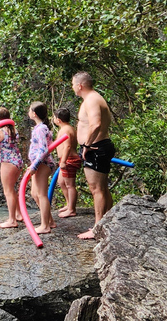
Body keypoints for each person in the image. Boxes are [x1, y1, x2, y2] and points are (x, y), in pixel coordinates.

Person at [72, 71, 115, 240]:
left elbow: (96, 124)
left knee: (97, 189)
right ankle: (107, 221)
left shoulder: (91, 100)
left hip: (96, 148)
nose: (72, 88)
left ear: (80, 85)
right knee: (102, 188)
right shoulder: (95, 98)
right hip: (100, 146)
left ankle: (97, 227)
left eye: (73, 84)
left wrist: (87, 145)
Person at [27, 101, 56, 234]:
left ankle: (45, 226)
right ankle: (49, 220)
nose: (28, 112)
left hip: (42, 164)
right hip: (38, 164)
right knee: (34, 193)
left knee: (41, 194)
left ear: (34, 113)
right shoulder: (39, 128)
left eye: (29, 110)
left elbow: (43, 150)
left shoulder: (41, 129)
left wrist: (34, 166)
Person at [53, 108, 80, 218]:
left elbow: (68, 146)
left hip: (69, 159)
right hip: (65, 159)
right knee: (61, 182)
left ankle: (71, 209)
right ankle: (69, 204)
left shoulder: (66, 130)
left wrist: (63, 161)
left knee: (70, 185)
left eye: (54, 118)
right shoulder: (66, 128)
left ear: (58, 120)